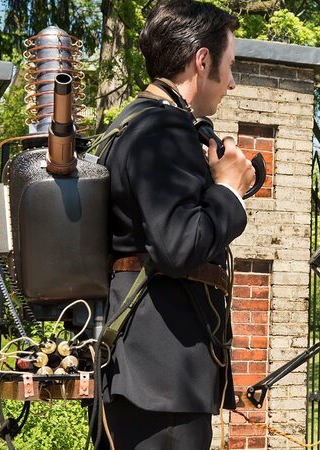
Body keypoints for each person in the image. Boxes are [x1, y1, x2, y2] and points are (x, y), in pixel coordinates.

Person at [96, 1, 255, 448]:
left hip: (140, 374)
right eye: (230, 65)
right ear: (202, 61)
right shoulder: (165, 129)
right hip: (161, 379)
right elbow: (180, 245)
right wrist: (228, 190)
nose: (233, 80)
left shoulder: (128, 125)